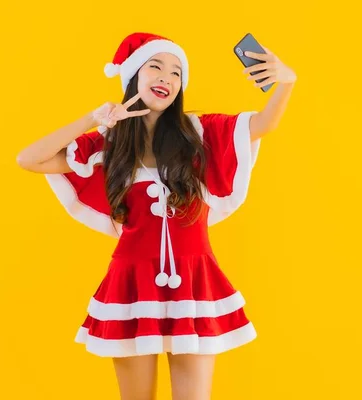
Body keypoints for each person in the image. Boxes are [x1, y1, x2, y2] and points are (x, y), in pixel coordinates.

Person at [16, 32, 296, 400]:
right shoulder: (105, 145)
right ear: (133, 74)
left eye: (176, 72)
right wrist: (92, 118)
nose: (167, 77)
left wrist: (286, 81)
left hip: (194, 282)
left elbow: (264, 124)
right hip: (131, 284)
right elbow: (28, 158)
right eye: (156, 67)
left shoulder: (200, 134)